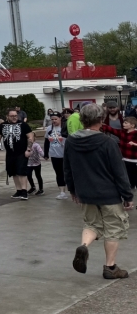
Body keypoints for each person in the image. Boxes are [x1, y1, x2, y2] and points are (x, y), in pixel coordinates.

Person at [65, 103, 133, 279]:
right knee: (113, 228)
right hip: (108, 193)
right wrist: (127, 195)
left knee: (91, 224)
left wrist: (73, 190)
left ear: (82, 119)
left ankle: (84, 246)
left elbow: (68, 168)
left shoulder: (71, 141)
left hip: (85, 192)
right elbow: (119, 171)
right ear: (101, 120)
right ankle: (110, 268)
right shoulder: (107, 142)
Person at [0, 108, 34, 199]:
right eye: (12, 116)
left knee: (21, 172)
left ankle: (24, 191)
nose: (14, 117)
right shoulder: (2, 126)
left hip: (21, 152)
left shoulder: (23, 125)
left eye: (15, 116)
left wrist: (28, 150)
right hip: (10, 153)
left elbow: (30, 137)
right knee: (13, 172)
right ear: (7, 116)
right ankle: (19, 190)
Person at [101, 115, 137, 191]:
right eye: (124, 122)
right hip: (124, 158)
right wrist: (101, 125)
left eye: (126, 123)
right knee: (126, 174)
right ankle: (128, 186)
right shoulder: (122, 133)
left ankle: (133, 186)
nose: (123, 123)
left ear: (132, 125)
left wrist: (135, 144)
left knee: (134, 174)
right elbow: (112, 130)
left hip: (134, 160)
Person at [44, 113, 69, 199]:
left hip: (65, 155)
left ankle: (73, 190)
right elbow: (46, 141)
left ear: (60, 118)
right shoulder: (49, 129)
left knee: (68, 173)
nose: (54, 121)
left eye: (56, 119)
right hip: (54, 154)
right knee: (59, 173)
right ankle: (62, 192)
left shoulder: (65, 128)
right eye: (52, 119)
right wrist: (46, 153)